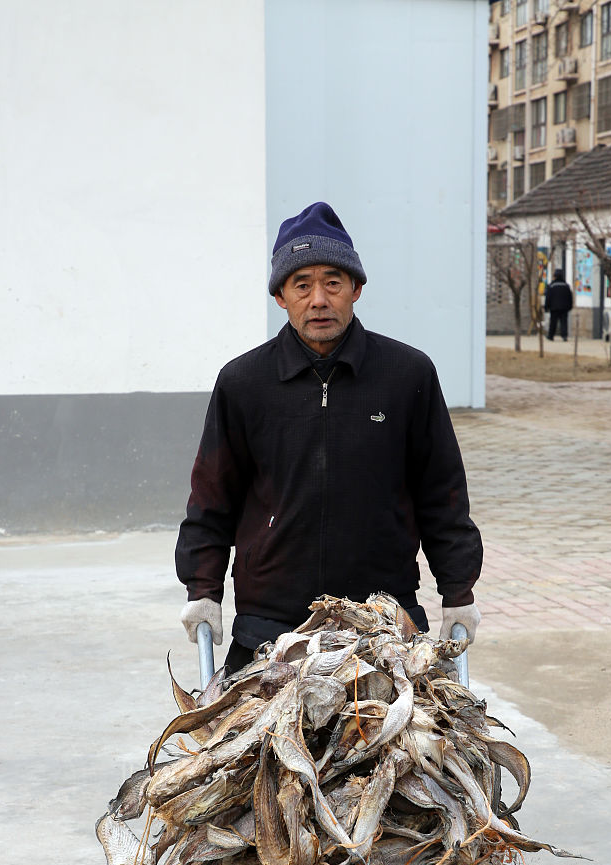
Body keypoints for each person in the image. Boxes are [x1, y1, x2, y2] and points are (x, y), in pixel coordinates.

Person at [175, 201, 483, 675]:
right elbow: (212, 500)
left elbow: (442, 494)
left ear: (356, 289)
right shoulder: (243, 383)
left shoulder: (407, 376)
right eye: (302, 285)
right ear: (281, 296)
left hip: (384, 626)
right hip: (270, 630)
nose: (318, 299)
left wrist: (458, 592)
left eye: (333, 282)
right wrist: (203, 589)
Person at [544, 268, 574, 341]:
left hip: (554, 307)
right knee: (564, 322)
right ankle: (564, 336)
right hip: (564, 307)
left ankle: (551, 336)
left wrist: (546, 307)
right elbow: (570, 297)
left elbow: (548, 297)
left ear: (555, 276)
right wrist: (570, 306)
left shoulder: (551, 286)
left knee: (553, 322)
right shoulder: (566, 286)